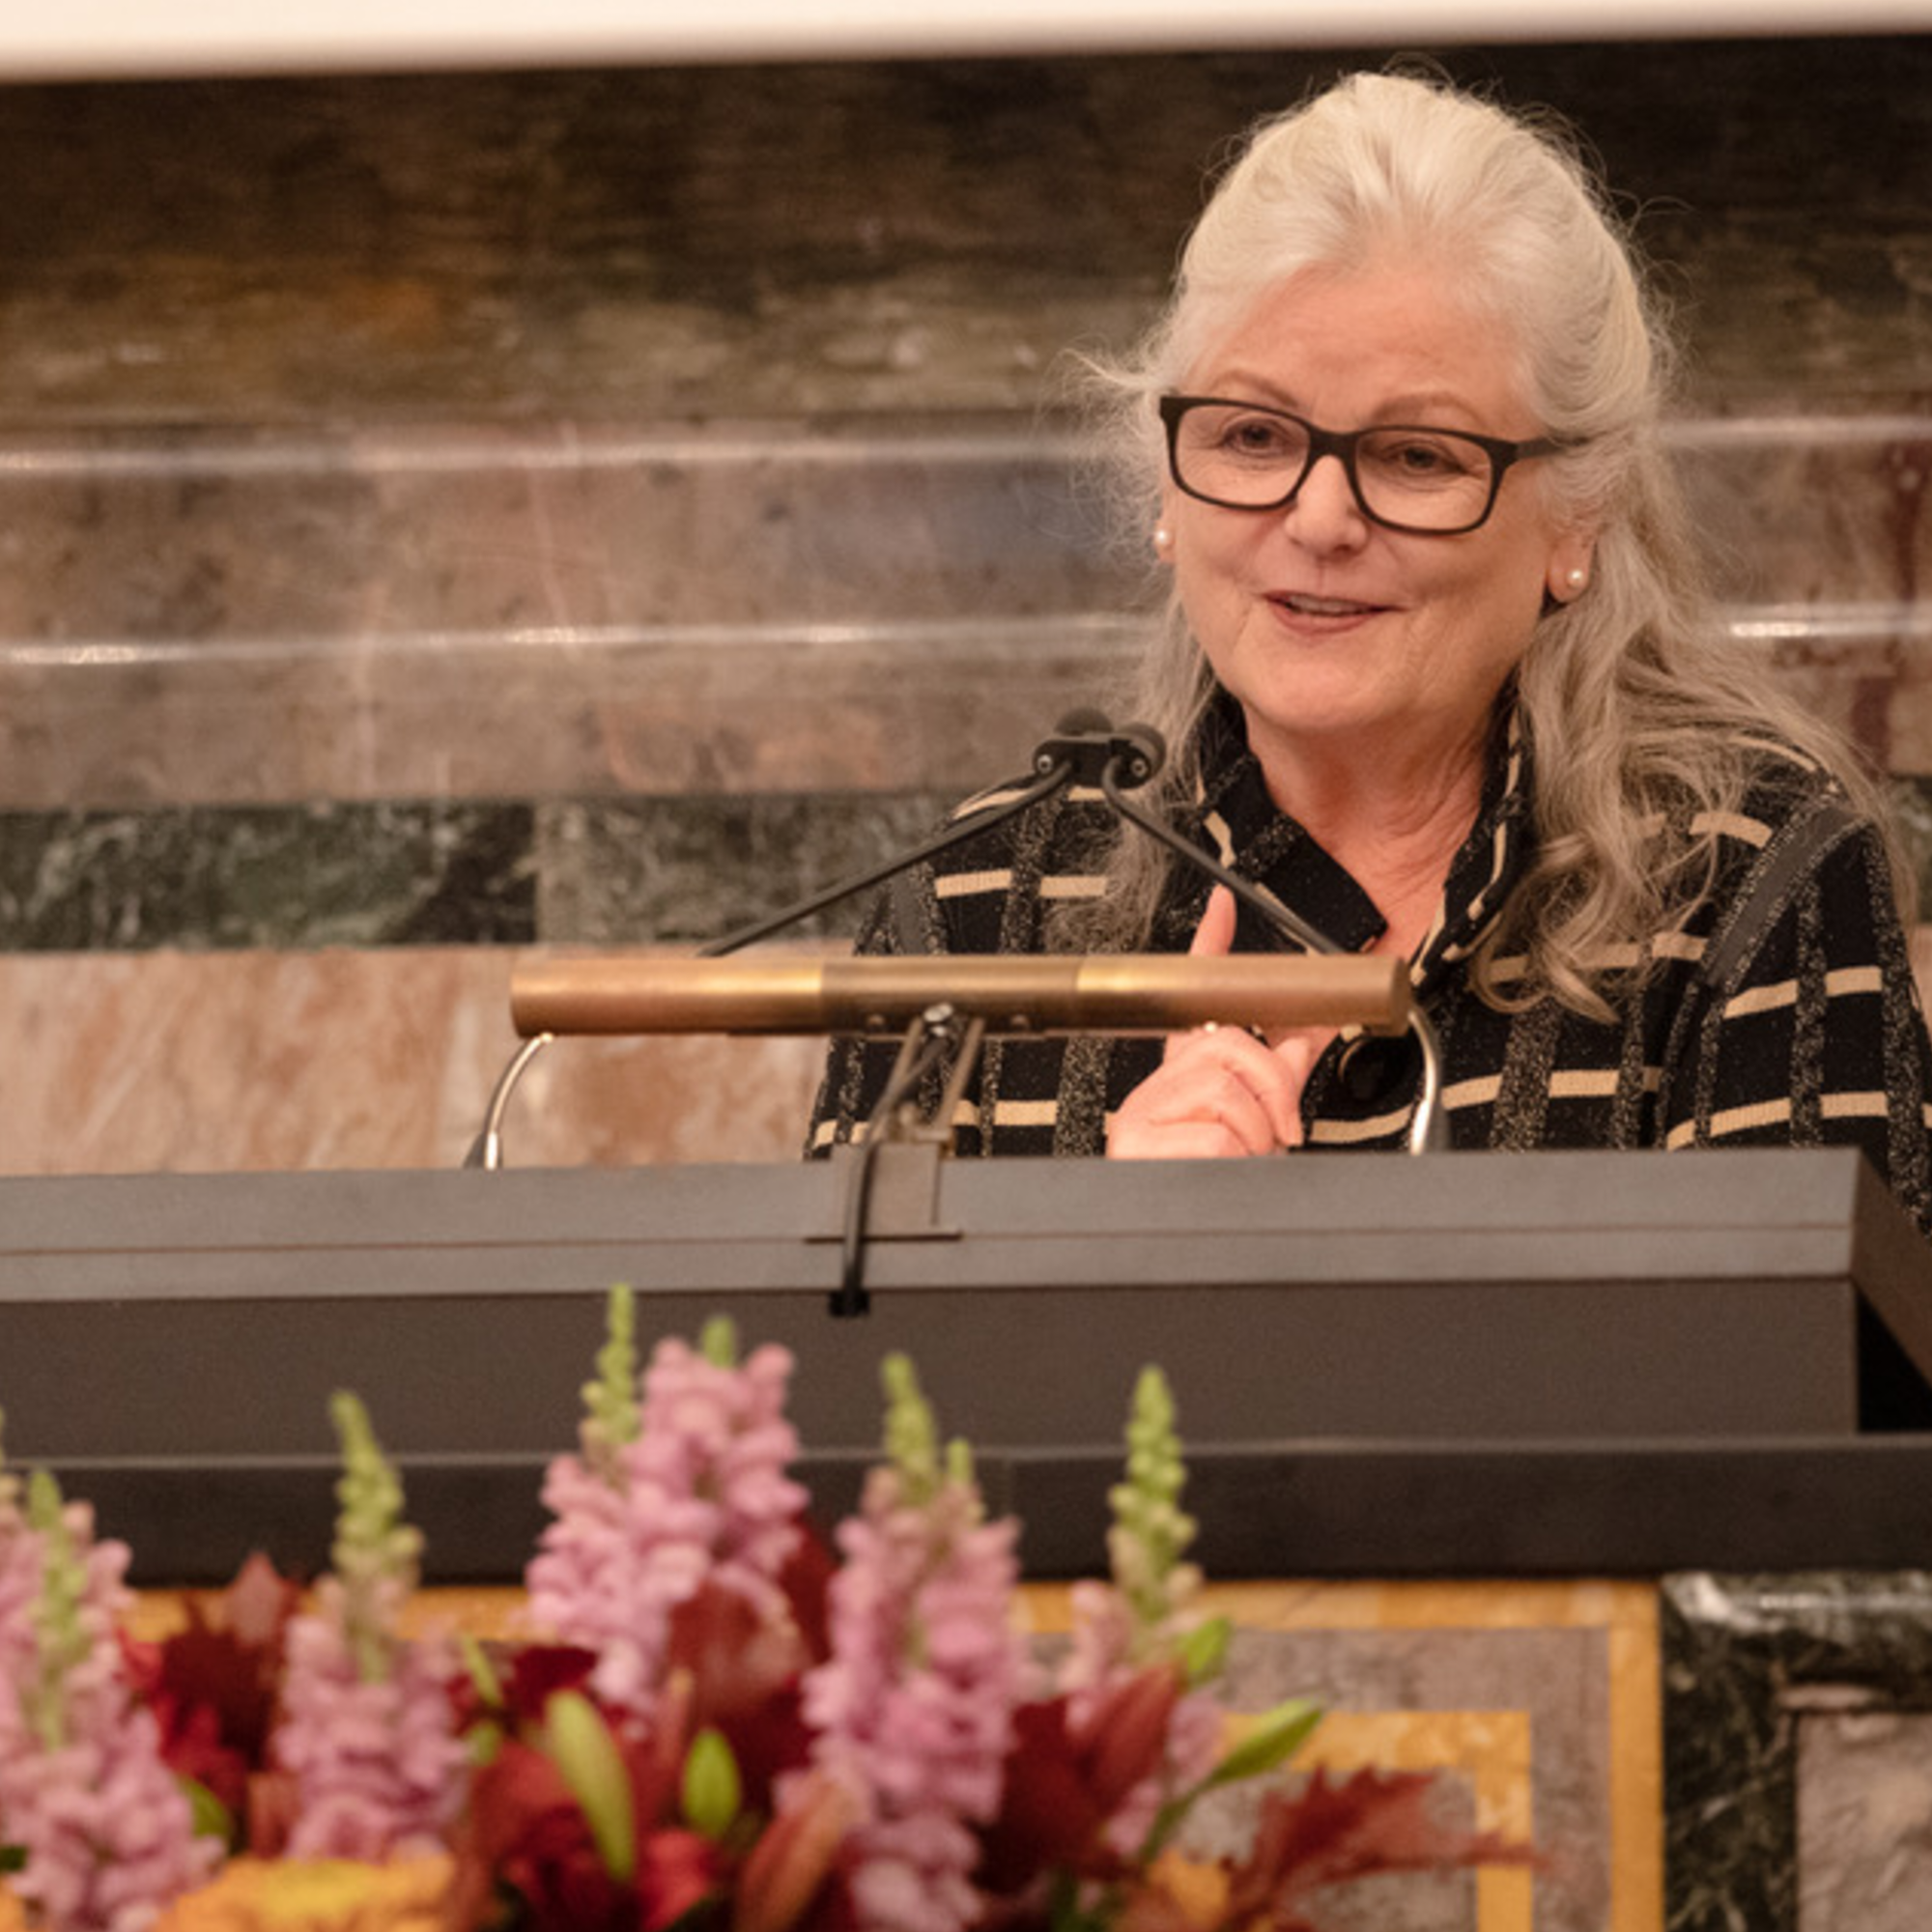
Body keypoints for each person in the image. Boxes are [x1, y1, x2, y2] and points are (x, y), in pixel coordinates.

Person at [807, 68, 1932, 1243]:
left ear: (1574, 521)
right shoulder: (971, 909)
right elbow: (849, 1414)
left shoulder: (1748, 876)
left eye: (1415, 456)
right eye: (1251, 434)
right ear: (1164, 489)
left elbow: (1811, 1404)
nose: (1320, 519)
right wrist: (1098, 1257)